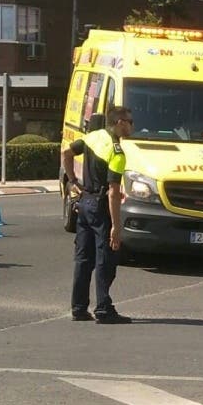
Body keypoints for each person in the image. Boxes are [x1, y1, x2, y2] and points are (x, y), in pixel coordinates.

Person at [60, 106, 133, 324]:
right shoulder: (117, 152)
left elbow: (65, 153)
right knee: (106, 258)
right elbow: (113, 193)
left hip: (84, 202)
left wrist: (73, 182)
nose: (132, 125)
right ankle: (103, 308)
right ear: (119, 122)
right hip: (101, 207)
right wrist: (116, 226)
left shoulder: (92, 137)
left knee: (83, 258)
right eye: (130, 121)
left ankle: (79, 308)